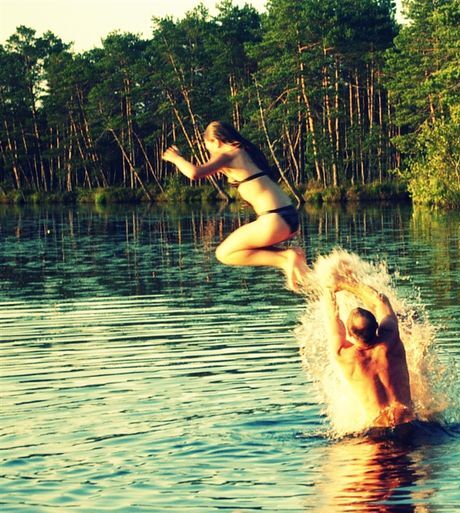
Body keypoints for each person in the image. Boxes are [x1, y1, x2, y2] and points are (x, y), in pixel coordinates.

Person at [162, 121, 308, 290]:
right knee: (246, 250)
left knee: (224, 253)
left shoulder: (227, 154)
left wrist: (176, 158)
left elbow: (195, 173)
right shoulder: (245, 152)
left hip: (273, 219)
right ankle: (304, 273)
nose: (211, 154)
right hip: (289, 216)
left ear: (216, 142)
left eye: (209, 148)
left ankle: (287, 257)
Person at [323, 277, 415, 431]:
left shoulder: (343, 355)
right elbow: (380, 300)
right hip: (409, 426)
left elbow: (333, 320)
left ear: (349, 334)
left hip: (374, 431)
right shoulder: (391, 337)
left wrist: (329, 289)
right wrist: (345, 283)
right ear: (378, 326)